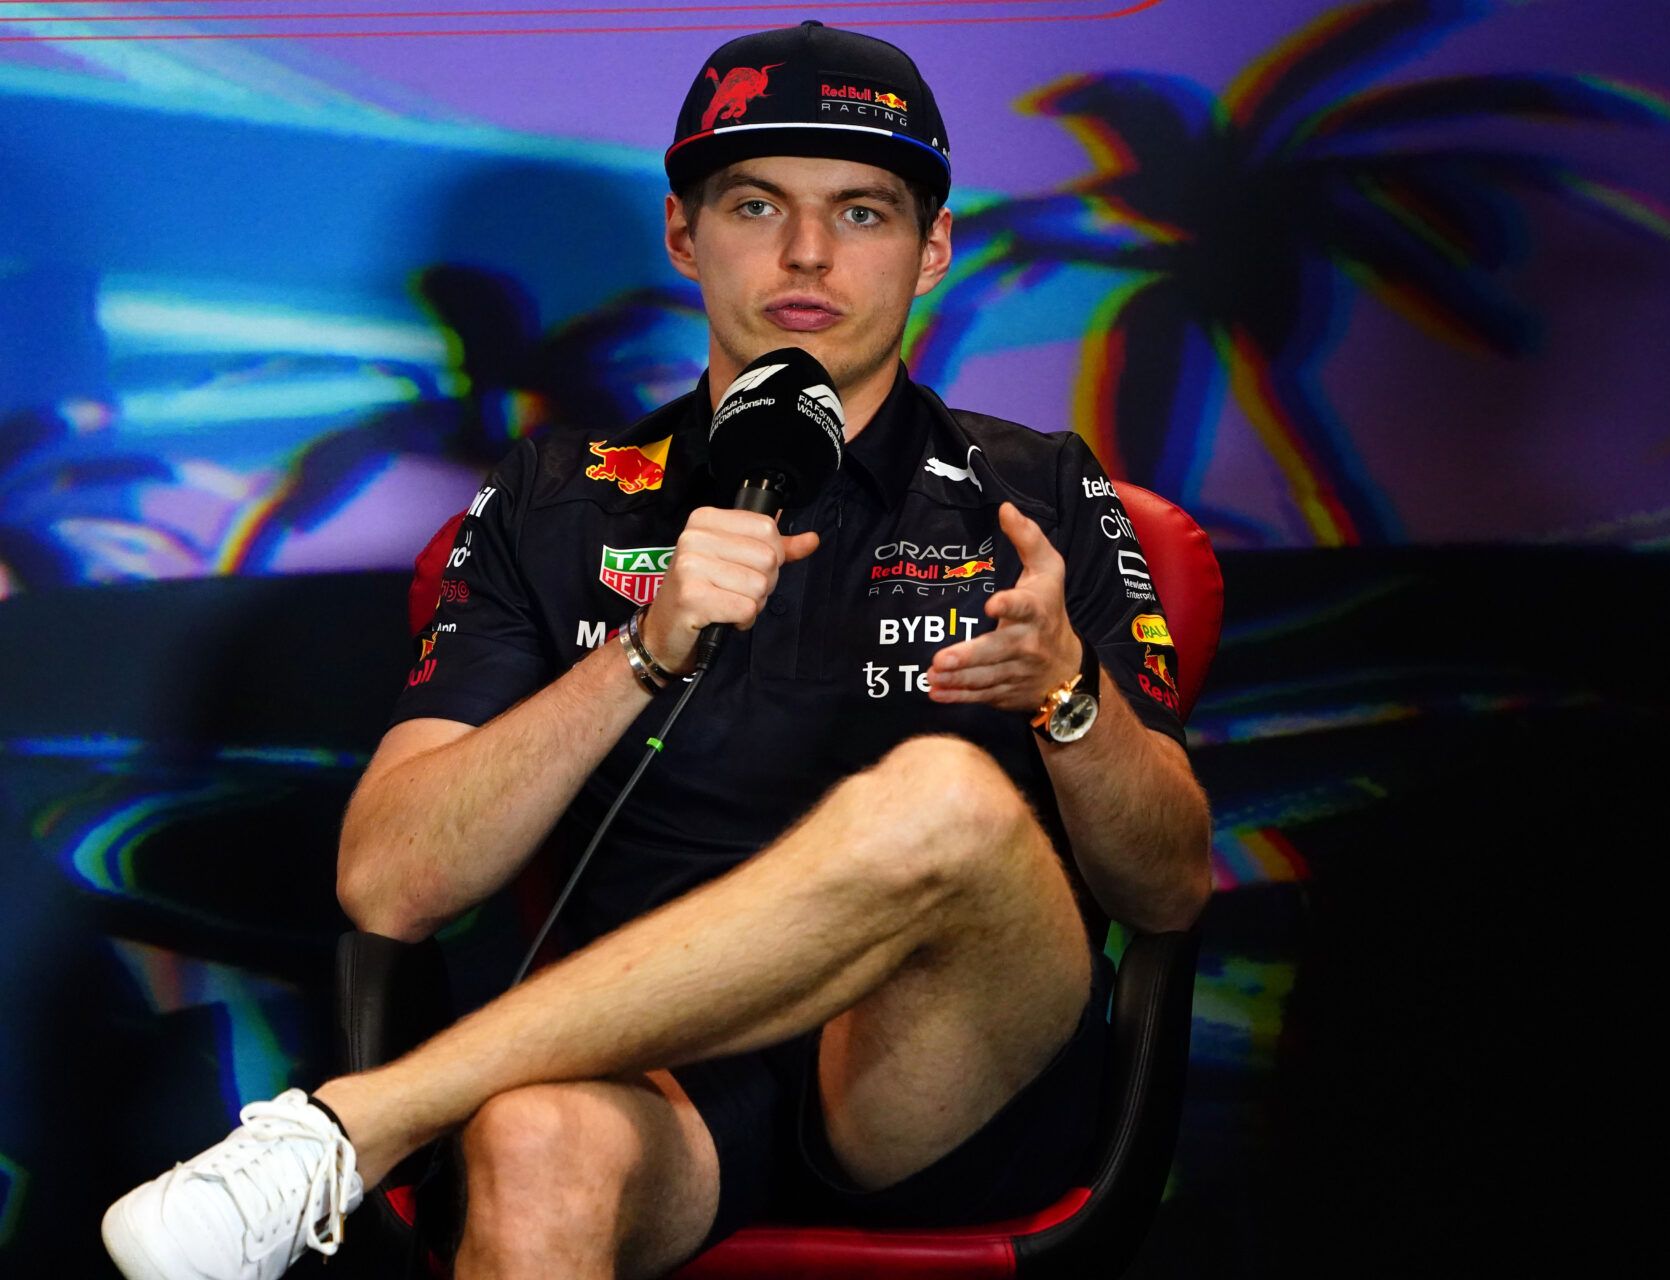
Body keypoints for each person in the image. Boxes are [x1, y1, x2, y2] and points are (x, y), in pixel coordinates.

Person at [102, 21, 1210, 1280]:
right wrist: (642, 648)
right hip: (658, 1081)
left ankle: (357, 1124)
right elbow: (389, 884)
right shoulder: (557, 496)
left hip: (938, 1075)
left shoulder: (1040, 489)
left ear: (933, 247)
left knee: (947, 795)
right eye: (756, 205)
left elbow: (1170, 886)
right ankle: (396, 1117)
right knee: (531, 1140)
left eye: (861, 212)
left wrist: (1069, 694)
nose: (806, 253)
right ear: (684, 233)